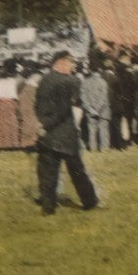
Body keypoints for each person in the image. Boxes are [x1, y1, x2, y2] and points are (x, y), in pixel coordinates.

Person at [33, 51, 99, 215]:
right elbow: (64, 110)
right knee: (77, 171)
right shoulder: (71, 81)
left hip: (46, 134)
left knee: (48, 173)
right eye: (71, 64)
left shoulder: (45, 80)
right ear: (61, 63)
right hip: (65, 132)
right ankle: (89, 202)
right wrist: (47, 125)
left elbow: (38, 106)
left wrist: (42, 125)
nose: (73, 67)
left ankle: (48, 207)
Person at [79, 62, 111, 152]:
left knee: (92, 130)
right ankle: (104, 149)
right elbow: (103, 98)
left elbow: (83, 97)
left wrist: (90, 109)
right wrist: (97, 109)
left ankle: (93, 148)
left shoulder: (85, 82)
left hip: (90, 111)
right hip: (103, 111)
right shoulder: (103, 82)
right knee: (103, 130)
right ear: (99, 71)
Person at [0, 64, 21, 149]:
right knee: (12, 122)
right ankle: (13, 143)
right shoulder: (13, 81)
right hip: (11, 102)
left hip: (2, 103)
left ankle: (2, 143)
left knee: (2, 122)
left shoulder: (0, 82)